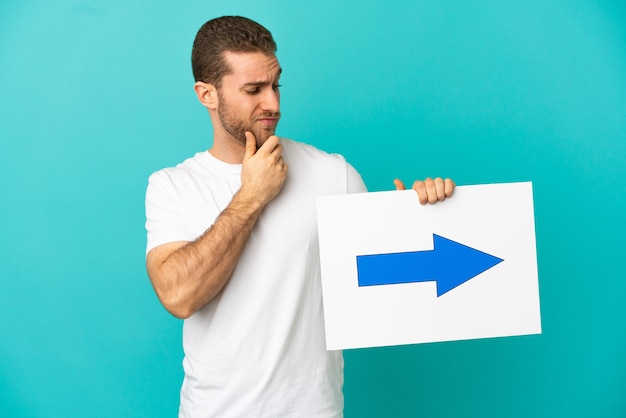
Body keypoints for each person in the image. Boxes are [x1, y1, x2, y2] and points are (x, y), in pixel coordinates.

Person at [145, 16, 455, 418]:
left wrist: (419, 216)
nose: (272, 103)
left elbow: (385, 290)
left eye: (275, 85)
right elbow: (179, 295)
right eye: (253, 90)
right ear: (207, 94)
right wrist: (252, 196)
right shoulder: (173, 186)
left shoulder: (333, 174)